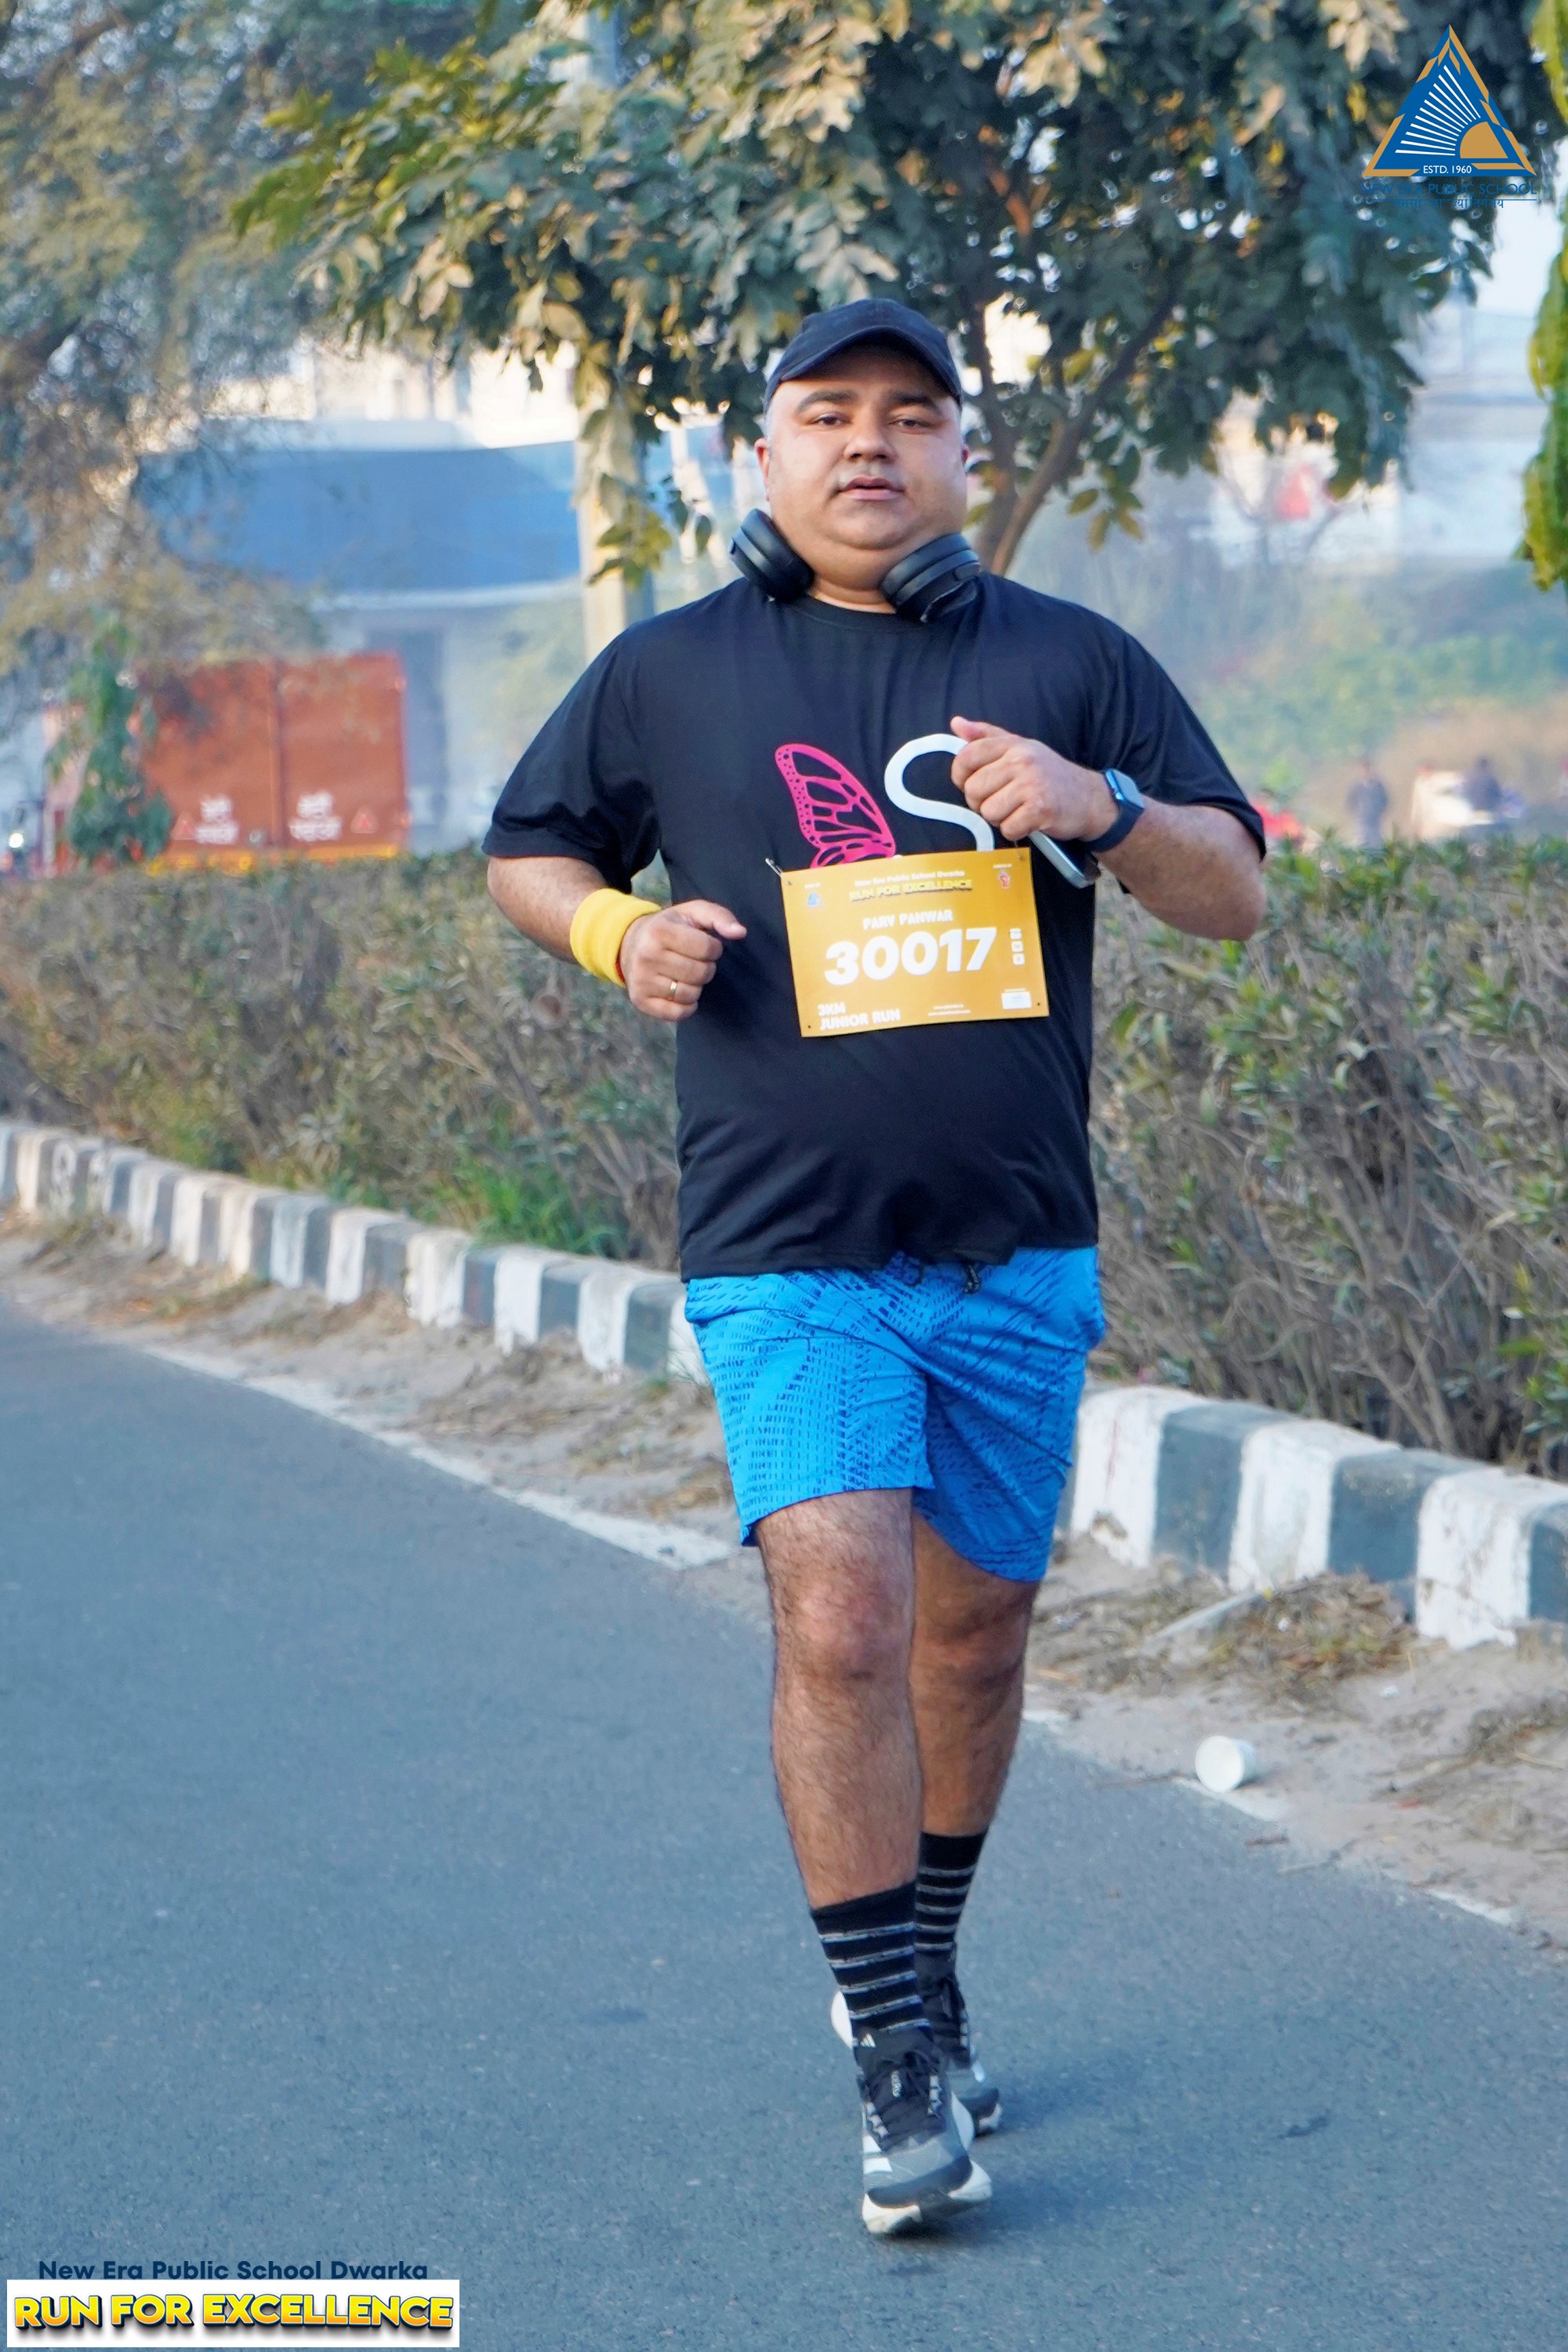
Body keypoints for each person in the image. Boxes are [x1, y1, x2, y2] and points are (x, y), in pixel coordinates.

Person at [485, 298, 1265, 2237]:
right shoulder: (667, 669)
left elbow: (1234, 890)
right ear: (759, 457)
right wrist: (612, 937)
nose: (867, 443)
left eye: (910, 415)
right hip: (785, 1241)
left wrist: (1096, 807)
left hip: (1015, 1244)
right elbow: (529, 850)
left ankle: (925, 1968)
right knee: (839, 1616)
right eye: (825, 413)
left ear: (960, 459)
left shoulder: (1070, 660)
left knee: (973, 1636)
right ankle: (892, 2052)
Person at [1345, 757, 1388, 849]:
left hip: (1375, 820)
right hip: (1361, 820)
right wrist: (1358, 813)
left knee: (1376, 844)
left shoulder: (1378, 785)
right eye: (1364, 769)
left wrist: (1380, 812)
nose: (1366, 771)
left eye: (1368, 768)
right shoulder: (1356, 786)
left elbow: (1385, 801)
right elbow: (1350, 802)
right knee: (1361, 843)